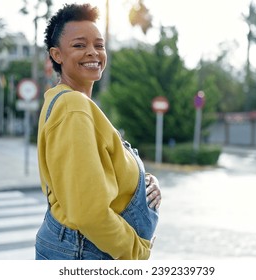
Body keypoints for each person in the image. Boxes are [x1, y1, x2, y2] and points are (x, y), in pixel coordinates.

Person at [35, 3, 161, 260]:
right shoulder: (73, 106)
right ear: (57, 55)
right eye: (79, 45)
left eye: (99, 45)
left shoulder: (65, 101)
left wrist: (144, 184)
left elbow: (92, 175)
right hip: (87, 252)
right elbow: (87, 211)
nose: (93, 52)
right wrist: (135, 252)